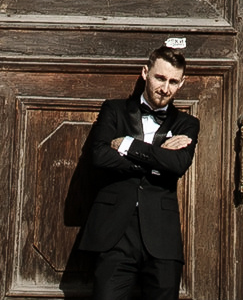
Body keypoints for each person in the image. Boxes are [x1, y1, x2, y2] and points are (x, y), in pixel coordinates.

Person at [77, 40, 200, 300]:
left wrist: (128, 145)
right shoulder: (114, 110)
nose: (165, 89)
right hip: (115, 234)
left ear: (182, 82)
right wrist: (158, 158)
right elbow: (99, 156)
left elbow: (177, 165)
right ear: (145, 73)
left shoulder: (187, 124)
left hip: (162, 237)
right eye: (160, 78)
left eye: (173, 82)